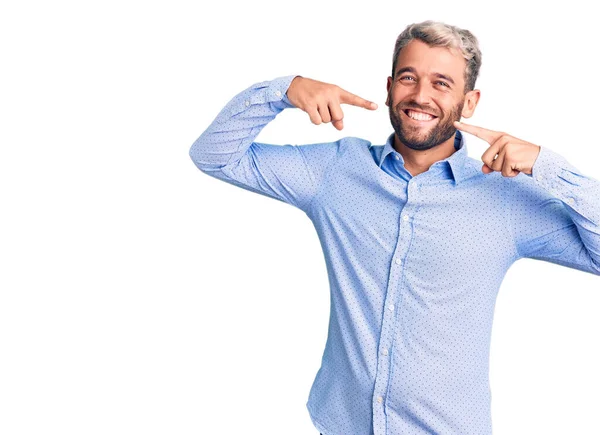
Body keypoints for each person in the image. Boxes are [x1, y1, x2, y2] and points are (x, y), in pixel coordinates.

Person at [189, 20, 600, 435]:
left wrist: (548, 166)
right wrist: (284, 90)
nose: (421, 96)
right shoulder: (335, 171)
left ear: (469, 102)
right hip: (341, 424)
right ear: (389, 87)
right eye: (409, 78)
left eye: (442, 83)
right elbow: (215, 156)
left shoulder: (506, 197)